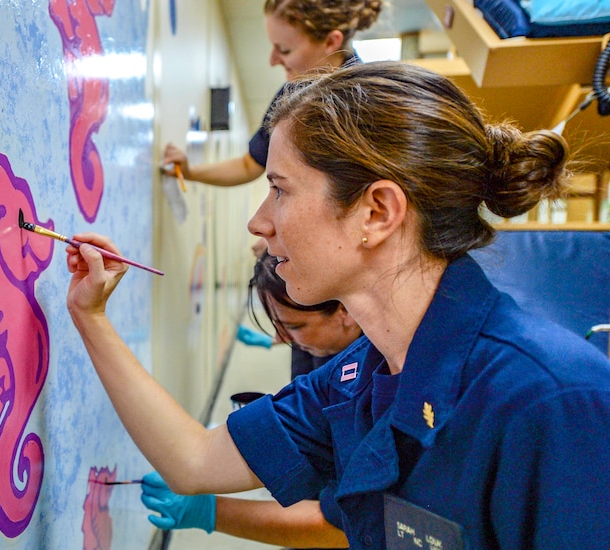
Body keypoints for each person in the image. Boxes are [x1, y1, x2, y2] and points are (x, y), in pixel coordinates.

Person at [65, 62, 610, 548]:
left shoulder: (551, 400)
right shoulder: (361, 377)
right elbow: (193, 461)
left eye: (280, 188)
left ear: (376, 212)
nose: (259, 221)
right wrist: (90, 317)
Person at [139, 252, 362, 548]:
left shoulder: (367, 386)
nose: (285, 339)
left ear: (346, 309)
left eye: (295, 327)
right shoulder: (330, 362)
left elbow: (341, 525)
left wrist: (211, 512)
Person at [160, 0, 382, 189]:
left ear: (330, 42)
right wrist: (190, 172)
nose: (273, 60)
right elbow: (250, 165)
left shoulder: (370, 102)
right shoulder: (293, 94)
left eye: (285, 50)